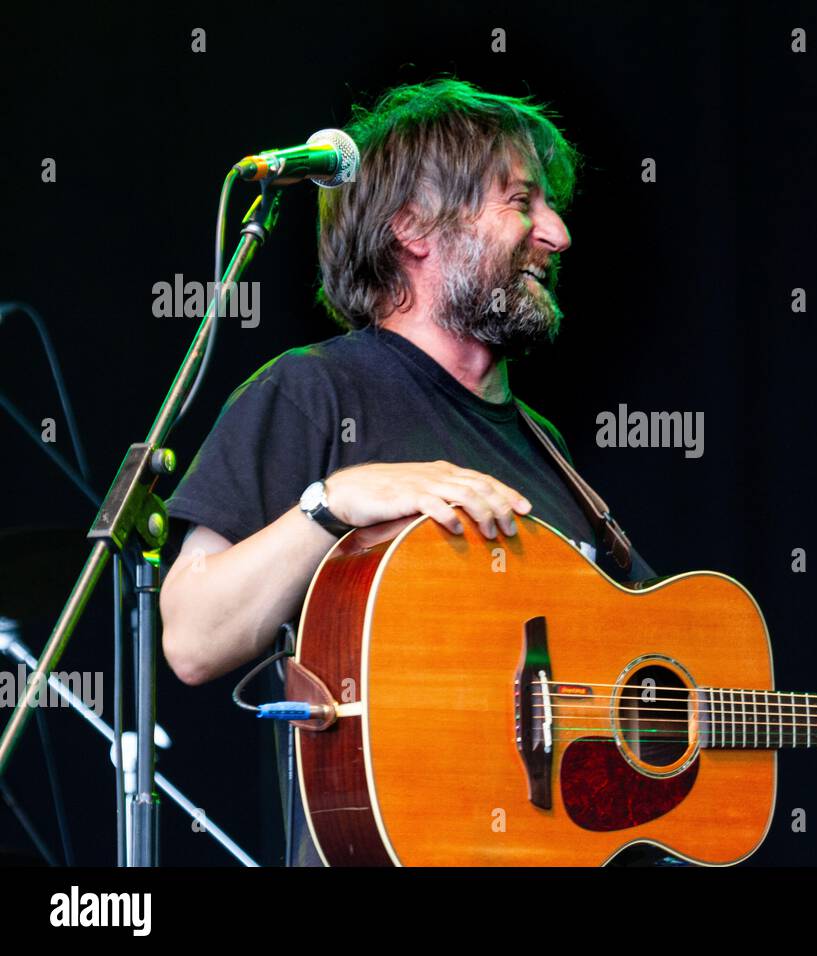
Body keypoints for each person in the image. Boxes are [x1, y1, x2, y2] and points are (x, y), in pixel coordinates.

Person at [158, 78, 658, 865]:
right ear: (414, 227)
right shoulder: (311, 392)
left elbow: (640, 683)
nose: (556, 234)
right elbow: (191, 636)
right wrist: (336, 501)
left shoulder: (545, 445)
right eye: (521, 202)